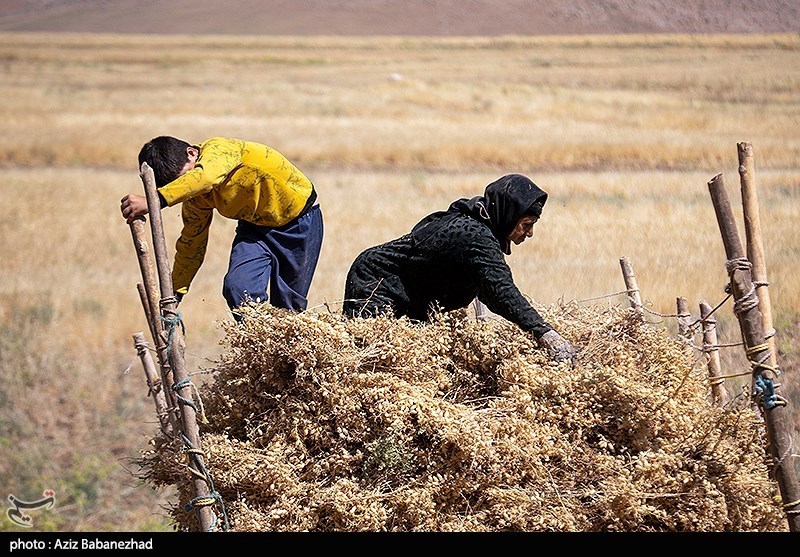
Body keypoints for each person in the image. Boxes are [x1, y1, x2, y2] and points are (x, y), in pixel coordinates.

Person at [342, 173, 576, 363]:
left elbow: (489, 290)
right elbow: (501, 290)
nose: (530, 233)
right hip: (376, 282)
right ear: (509, 214)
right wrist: (545, 333)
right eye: (526, 224)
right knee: (377, 361)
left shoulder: (477, 223)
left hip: (405, 293)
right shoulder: (475, 235)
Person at [120, 136, 323, 317]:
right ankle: (260, 342)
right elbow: (192, 244)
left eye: (185, 179)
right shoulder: (195, 199)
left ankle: (279, 344)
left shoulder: (219, 149)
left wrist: (155, 200)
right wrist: (176, 292)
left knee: (288, 309)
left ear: (192, 153)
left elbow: (207, 177)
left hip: (300, 224)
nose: (186, 191)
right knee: (239, 289)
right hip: (255, 231)